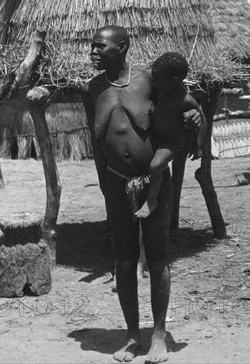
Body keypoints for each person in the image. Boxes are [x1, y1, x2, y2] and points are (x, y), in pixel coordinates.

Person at [81, 26, 201, 363]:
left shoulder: (150, 81)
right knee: (123, 259)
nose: (92, 52)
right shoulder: (92, 89)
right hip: (115, 182)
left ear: (121, 48)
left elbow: (188, 106)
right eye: (91, 46)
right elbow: (97, 143)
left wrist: (195, 118)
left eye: (98, 46)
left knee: (159, 257)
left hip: (152, 181)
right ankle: (133, 337)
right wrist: (104, 184)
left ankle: (159, 335)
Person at [135, 52, 206, 219]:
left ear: (174, 81)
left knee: (155, 166)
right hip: (157, 137)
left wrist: (200, 145)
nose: (154, 82)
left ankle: (152, 200)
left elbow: (202, 120)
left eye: (158, 80)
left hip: (171, 142)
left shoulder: (185, 100)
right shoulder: (161, 91)